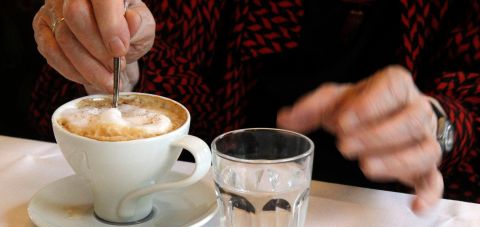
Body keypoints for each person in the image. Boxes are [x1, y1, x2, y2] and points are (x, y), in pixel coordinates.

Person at [32, 0, 479, 213]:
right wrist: (115, 66)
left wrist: (441, 127)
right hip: (204, 226)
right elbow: (162, 66)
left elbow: (466, 107)